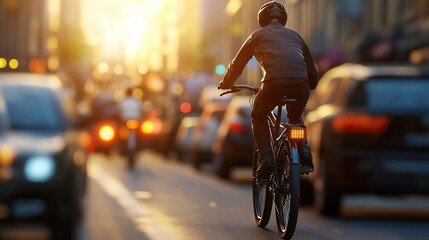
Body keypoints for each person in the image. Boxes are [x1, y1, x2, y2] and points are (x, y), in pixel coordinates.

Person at [218, 1, 318, 177]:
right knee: (295, 117)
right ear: (283, 20)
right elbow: (312, 74)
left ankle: (266, 158)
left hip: (273, 84)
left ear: (261, 20)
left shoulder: (257, 36)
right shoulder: (296, 36)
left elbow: (237, 64)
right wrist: (306, 84)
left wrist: (226, 82)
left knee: (258, 115)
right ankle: (304, 150)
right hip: (300, 85)